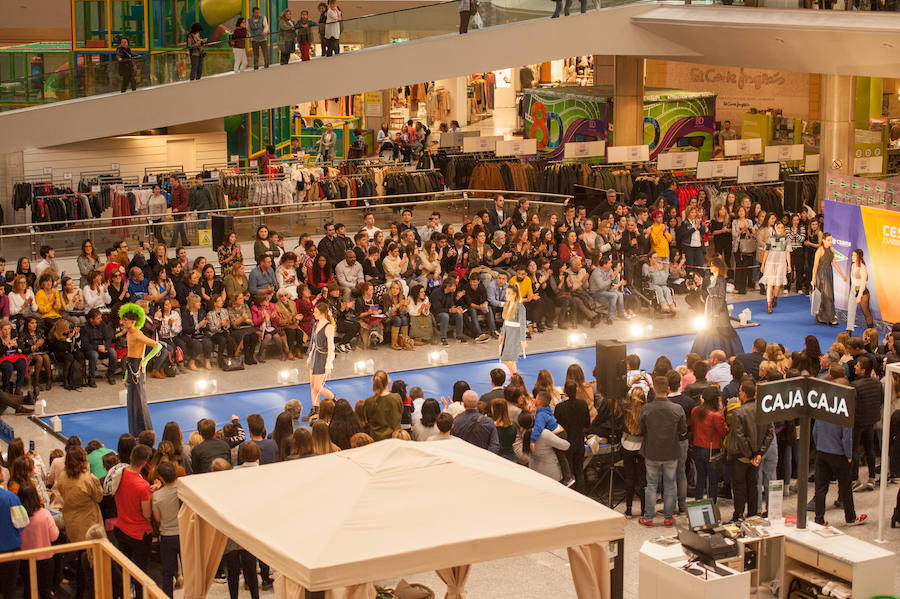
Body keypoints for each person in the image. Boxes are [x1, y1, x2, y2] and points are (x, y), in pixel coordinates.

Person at [638, 376, 686, 527]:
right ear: (669, 389)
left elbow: (641, 430)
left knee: (651, 484)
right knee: (670, 484)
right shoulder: (677, 409)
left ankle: (649, 517)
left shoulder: (646, 408)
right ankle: (668, 517)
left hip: (651, 451)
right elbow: (683, 431)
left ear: (654, 389)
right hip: (671, 451)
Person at [728, 379, 774, 522]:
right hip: (757, 457)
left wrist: (750, 455)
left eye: (740, 391)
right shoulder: (764, 409)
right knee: (753, 486)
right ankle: (753, 514)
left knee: (740, 486)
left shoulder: (738, 413)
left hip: (742, 456)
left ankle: (739, 515)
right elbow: (770, 433)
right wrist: (759, 454)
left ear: (743, 394)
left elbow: (740, 437)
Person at [115, 444, 157, 599]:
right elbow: (146, 513)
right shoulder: (142, 485)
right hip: (139, 534)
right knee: (141, 572)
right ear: (146, 461)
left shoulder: (121, 474)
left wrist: (148, 491)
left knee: (125, 568)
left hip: (121, 527)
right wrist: (150, 495)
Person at [813, 405, 867, 526]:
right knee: (845, 486)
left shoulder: (821, 411)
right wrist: (849, 455)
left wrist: (819, 446)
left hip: (822, 452)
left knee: (820, 488)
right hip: (839, 454)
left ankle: (819, 519)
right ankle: (850, 518)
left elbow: (815, 432)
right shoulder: (844, 412)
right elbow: (847, 438)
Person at [691, 256, 744, 358]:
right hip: (711, 306)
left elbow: (721, 296)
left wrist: (716, 311)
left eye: (712, 265)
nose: (710, 267)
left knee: (718, 328)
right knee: (711, 328)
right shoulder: (715, 278)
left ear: (717, 267)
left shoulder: (720, 279)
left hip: (716, 308)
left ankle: (717, 351)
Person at [120, 304, 159, 436]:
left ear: (133, 321)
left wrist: (145, 361)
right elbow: (129, 355)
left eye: (125, 320)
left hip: (137, 367)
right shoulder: (129, 334)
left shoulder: (137, 334)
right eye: (123, 319)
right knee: (132, 400)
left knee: (139, 399)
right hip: (131, 366)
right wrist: (126, 375)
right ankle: (136, 431)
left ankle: (145, 430)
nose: (123, 322)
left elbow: (157, 346)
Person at [16, 482, 58, 599]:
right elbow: (54, 536)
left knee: (28, 591)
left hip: (25, 559)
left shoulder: (17, 516)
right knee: (45, 591)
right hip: (45, 558)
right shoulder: (44, 514)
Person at [150, 461, 181, 598]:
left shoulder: (157, 496)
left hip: (167, 536)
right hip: (183, 534)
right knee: (190, 569)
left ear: (161, 478)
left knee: (167, 572)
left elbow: (157, 519)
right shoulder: (183, 490)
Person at [305, 302, 336, 422]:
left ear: (322, 313)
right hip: (315, 355)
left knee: (318, 386)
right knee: (312, 385)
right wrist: (309, 357)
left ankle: (334, 399)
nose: (314, 314)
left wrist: (329, 363)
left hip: (323, 357)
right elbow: (313, 343)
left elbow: (331, 346)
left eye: (316, 312)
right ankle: (315, 408)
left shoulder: (328, 327)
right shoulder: (316, 325)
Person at [813, 233, 846, 326]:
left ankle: (825, 317)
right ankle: (827, 318)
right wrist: (813, 279)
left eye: (831, 240)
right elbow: (815, 266)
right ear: (823, 240)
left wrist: (842, 275)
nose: (830, 242)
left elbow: (834, 263)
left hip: (829, 273)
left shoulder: (832, 250)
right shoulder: (819, 250)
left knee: (828, 295)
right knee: (826, 296)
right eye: (828, 240)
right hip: (821, 274)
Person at [760, 221, 791, 314]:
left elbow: (788, 252)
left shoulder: (786, 239)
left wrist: (789, 264)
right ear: (775, 227)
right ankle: (769, 304)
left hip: (781, 262)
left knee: (777, 283)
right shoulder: (771, 238)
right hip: (770, 262)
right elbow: (766, 251)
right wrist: (763, 263)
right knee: (770, 283)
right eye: (779, 227)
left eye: (782, 227)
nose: (780, 229)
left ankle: (775, 298)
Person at [365, 370, 403, 441]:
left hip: (376, 440)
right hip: (394, 439)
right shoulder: (396, 398)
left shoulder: (369, 401)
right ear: (388, 381)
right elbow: (400, 414)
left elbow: (367, 420)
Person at [498, 285, 526, 374]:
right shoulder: (506, 305)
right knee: (508, 359)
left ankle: (516, 378)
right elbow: (505, 322)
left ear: (514, 294)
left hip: (515, 335)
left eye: (509, 293)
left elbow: (522, 324)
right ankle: (515, 378)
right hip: (507, 334)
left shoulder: (520, 307)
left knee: (510, 359)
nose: (506, 295)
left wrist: (523, 340)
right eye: (506, 293)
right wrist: (502, 334)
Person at [846, 248, 874, 332]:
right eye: (852, 255)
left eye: (854, 255)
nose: (852, 257)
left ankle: (871, 332)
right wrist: (853, 291)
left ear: (859, 257)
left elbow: (863, 282)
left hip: (862, 292)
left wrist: (859, 295)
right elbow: (853, 280)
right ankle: (849, 330)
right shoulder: (853, 265)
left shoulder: (863, 267)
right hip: (853, 290)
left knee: (866, 312)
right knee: (850, 310)